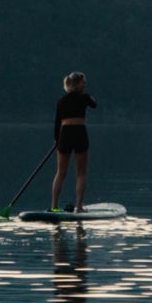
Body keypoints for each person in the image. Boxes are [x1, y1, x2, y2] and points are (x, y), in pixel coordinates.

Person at [50, 70, 97, 212]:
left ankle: (54, 207)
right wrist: (90, 97)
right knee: (81, 172)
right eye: (84, 82)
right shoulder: (85, 98)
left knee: (61, 172)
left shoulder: (61, 100)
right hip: (79, 133)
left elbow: (57, 123)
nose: (85, 84)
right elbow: (94, 105)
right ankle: (79, 207)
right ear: (77, 84)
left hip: (64, 135)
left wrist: (56, 140)